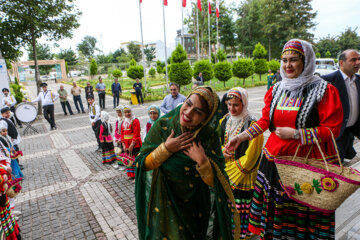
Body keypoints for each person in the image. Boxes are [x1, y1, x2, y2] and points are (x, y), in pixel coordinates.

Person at [225, 39, 343, 240]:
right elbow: (264, 120)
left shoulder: (323, 90)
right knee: (276, 217)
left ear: (306, 61)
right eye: (285, 60)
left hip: (307, 164)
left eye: (294, 60)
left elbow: (332, 129)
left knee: (303, 218)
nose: (288, 65)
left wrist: (296, 134)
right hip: (274, 163)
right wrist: (242, 136)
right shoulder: (277, 89)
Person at [135, 86, 240, 240]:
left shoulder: (208, 138)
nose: (188, 113)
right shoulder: (163, 127)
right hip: (164, 207)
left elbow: (217, 184)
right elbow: (141, 164)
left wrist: (203, 162)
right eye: (188, 103)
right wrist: (165, 149)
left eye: (198, 112)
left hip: (195, 210)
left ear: (207, 117)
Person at [220, 87, 264, 239]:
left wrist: (234, 169)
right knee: (229, 203)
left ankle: (243, 233)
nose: (232, 108)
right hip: (227, 169)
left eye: (236, 105)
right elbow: (218, 142)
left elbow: (252, 155)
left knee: (242, 203)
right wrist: (222, 152)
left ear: (244, 104)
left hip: (244, 173)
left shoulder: (253, 125)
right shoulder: (224, 121)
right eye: (229, 104)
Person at [322, 49, 360, 161]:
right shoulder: (328, 81)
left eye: (359, 59)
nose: (358, 62)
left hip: (349, 133)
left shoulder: (358, 80)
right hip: (333, 136)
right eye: (353, 60)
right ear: (341, 63)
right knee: (335, 167)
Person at [120, 105, 142, 179]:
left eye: (128, 112)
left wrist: (132, 145)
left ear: (131, 112)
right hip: (126, 144)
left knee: (135, 159)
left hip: (134, 144)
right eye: (125, 112)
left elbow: (136, 134)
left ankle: (137, 176)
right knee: (128, 158)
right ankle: (131, 174)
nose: (127, 114)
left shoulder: (135, 121)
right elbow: (122, 133)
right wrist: (123, 144)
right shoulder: (124, 122)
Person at [114, 106, 125, 170]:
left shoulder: (124, 120)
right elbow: (116, 129)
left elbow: (123, 131)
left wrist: (121, 139)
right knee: (118, 151)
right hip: (118, 138)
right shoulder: (118, 119)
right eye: (117, 112)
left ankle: (123, 165)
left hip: (122, 139)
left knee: (122, 152)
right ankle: (119, 163)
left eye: (119, 112)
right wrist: (116, 138)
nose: (118, 114)